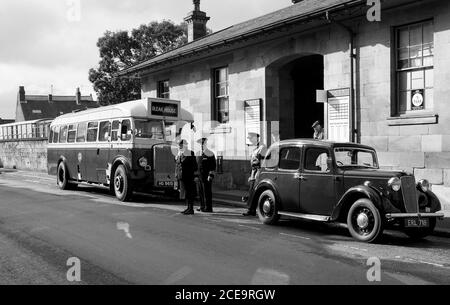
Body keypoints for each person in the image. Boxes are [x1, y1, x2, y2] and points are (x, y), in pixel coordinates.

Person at [243, 132, 266, 217]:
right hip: (254, 171)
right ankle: (251, 210)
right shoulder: (255, 149)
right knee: (251, 191)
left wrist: (258, 173)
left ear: (255, 138)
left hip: (259, 171)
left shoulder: (262, 148)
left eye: (250, 138)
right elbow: (252, 162)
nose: (250, 140)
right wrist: (251, 175)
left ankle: (252, 209)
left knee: (255, 191)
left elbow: (263, 162)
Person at [175, 139, 198, 215]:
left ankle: (191, 209)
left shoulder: (190, 153)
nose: (179, 147)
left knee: (190, 193)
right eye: (179, 145)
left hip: (189, 176)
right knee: (185, 193)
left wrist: (195, 176)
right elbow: (178, 165)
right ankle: (188, 208)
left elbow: (194, 166)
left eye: (181, 145)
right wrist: (177, 175)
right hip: (182, 177)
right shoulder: (180, 154)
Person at [195, 138, 216, 213]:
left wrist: (210, 175)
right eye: (200, 144)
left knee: (207, 192)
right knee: (200, 192)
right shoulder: (198, 154)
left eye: (203, 144)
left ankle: (208, 207)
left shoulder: (210, 153)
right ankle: (202, 206)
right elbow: (196, 166)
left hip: (206, 176)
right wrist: (196, 176)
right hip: (200, 176)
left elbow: (213, 166)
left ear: (205, 144)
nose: (201, 145)